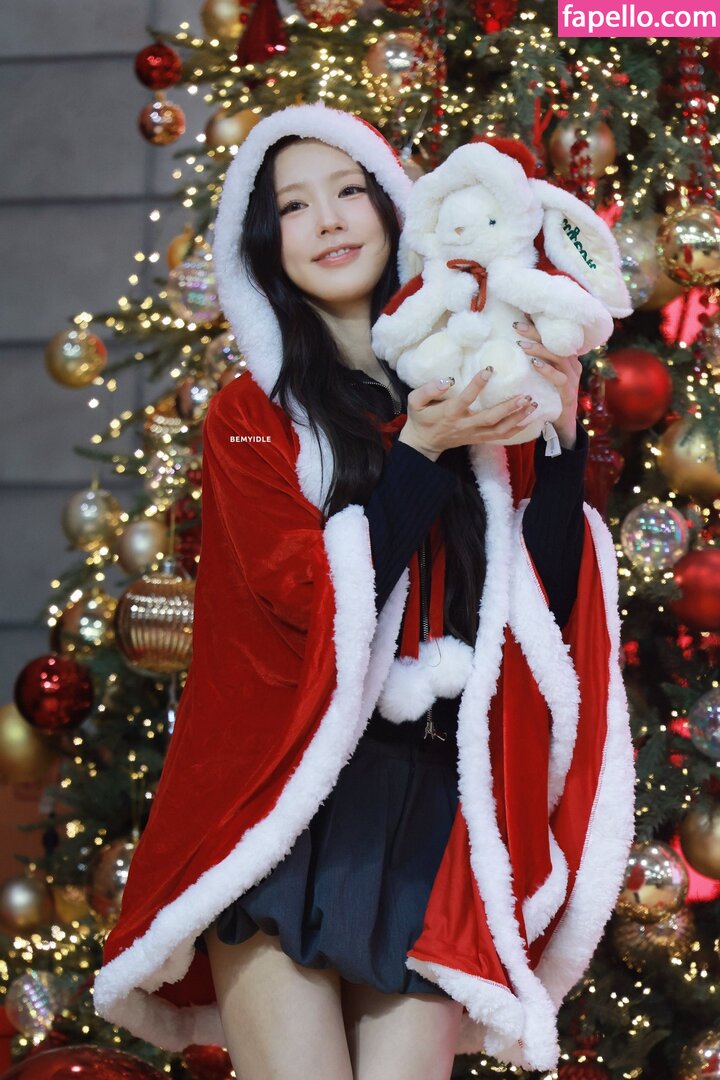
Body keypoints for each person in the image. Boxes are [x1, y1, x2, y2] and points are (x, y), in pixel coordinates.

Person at [94, 104, 635, 1078]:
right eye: (295, 205)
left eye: (349, 190)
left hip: (434, 819)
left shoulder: (470, 378)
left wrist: (557, 441)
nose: (330, 219)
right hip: (284, 809)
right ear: (266, 244)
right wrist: (419, 451)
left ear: (394, 212)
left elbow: (540, 616)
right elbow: (302, 602)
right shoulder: (251, 418)